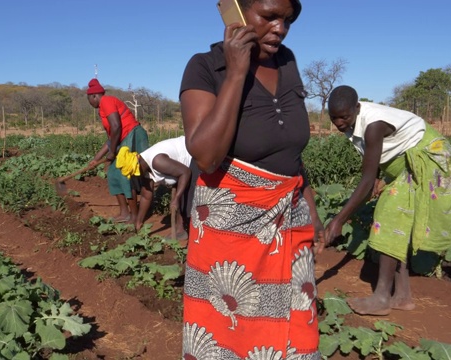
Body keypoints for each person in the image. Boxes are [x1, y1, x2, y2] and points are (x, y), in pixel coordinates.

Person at [179, 0, 322, 358]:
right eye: (269, 16)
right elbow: (206, 156)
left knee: (296, 327)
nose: (280, 28)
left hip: (290, 219)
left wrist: (311, 206)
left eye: (287, 20)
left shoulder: (287, 62)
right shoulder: (205, 67)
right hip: (230, 230)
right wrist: (237, 72)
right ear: (237, 12)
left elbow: (291, 150)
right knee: (231, 330)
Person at [321, 85, 451, 316]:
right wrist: (373, 181)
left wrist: (339, 220)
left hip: (428, 160)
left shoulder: (373, 125)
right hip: (405, 165)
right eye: (334, 117)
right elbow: (371, 170)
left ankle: (382, 297)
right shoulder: (354, 123)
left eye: (344, 116)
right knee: (396, 221)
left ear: (357, 107)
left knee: (389, 217)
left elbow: (365, 180)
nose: (339, 122)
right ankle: (402, 296)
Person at [86, 78, 149, 223]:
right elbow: (111, 138)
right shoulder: (102, 109)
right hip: (123, 139)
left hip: (133, 135)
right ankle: (124, 212)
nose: (90, 103)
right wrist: (97, 158)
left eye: (89, 99)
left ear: (94, 96)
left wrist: (112, 152)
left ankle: (134, 215)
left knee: (126, 173)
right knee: (114, 173)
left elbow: (116, 127)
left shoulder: (106, 101)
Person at [114, 135, 192, 240]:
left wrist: (177, 198)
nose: (136, 177)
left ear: (138, 164)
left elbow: (185, 172)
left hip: (194, 154)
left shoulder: (157, 161)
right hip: (181, 169)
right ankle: (180, 230)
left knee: (186, 197)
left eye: (135, 174)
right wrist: (139, 222)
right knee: (178, 194)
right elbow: (146, 195)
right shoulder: (143, 165)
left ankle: (191, 231)